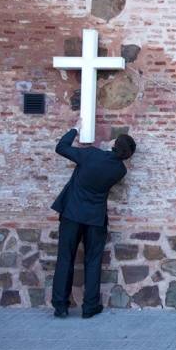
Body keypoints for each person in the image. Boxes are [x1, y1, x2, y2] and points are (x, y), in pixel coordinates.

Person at [51, 117, 136, 319]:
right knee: (93, 261)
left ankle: (61, 306)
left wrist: (75, 129)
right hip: (95, 219)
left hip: (72, 213)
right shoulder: (120, 170)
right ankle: (90, 307)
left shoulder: (90, 155)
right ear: (128, 155)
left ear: (114, 144)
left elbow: (61, 147)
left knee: (65, 258)